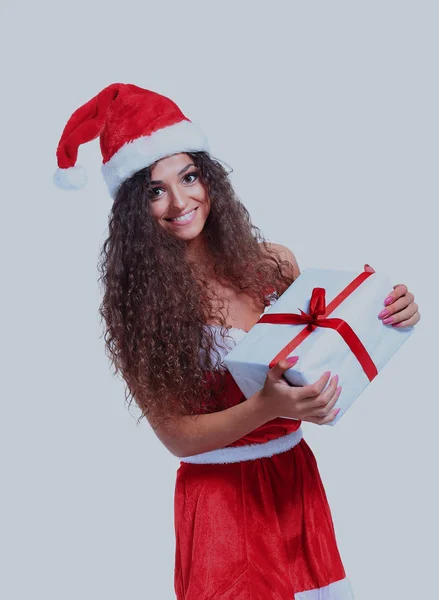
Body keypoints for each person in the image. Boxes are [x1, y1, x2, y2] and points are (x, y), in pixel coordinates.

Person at [53, 82, 421, 599]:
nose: (180, 201)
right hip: (222, 504)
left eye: (189, 177)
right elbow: (176, 436)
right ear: (134, 209)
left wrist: (389, 317)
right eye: (155, 190)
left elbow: (322, 354)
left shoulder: (274, 263)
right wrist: (269, 406)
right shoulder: (137, 307)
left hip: (295, 482)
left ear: (209, 178)